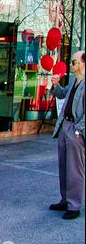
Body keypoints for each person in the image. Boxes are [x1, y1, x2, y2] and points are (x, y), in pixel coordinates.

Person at [49, 50, 85, 220]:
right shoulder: (74, 81)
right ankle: (65, 199)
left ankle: (74, 204)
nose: (71, 65)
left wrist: (79, 130)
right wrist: (56, 85)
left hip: (75, 129)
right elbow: (62, 94)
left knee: (75, 169)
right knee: (63, 165)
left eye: (73, 62)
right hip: (66, 125)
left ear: (82, 64)